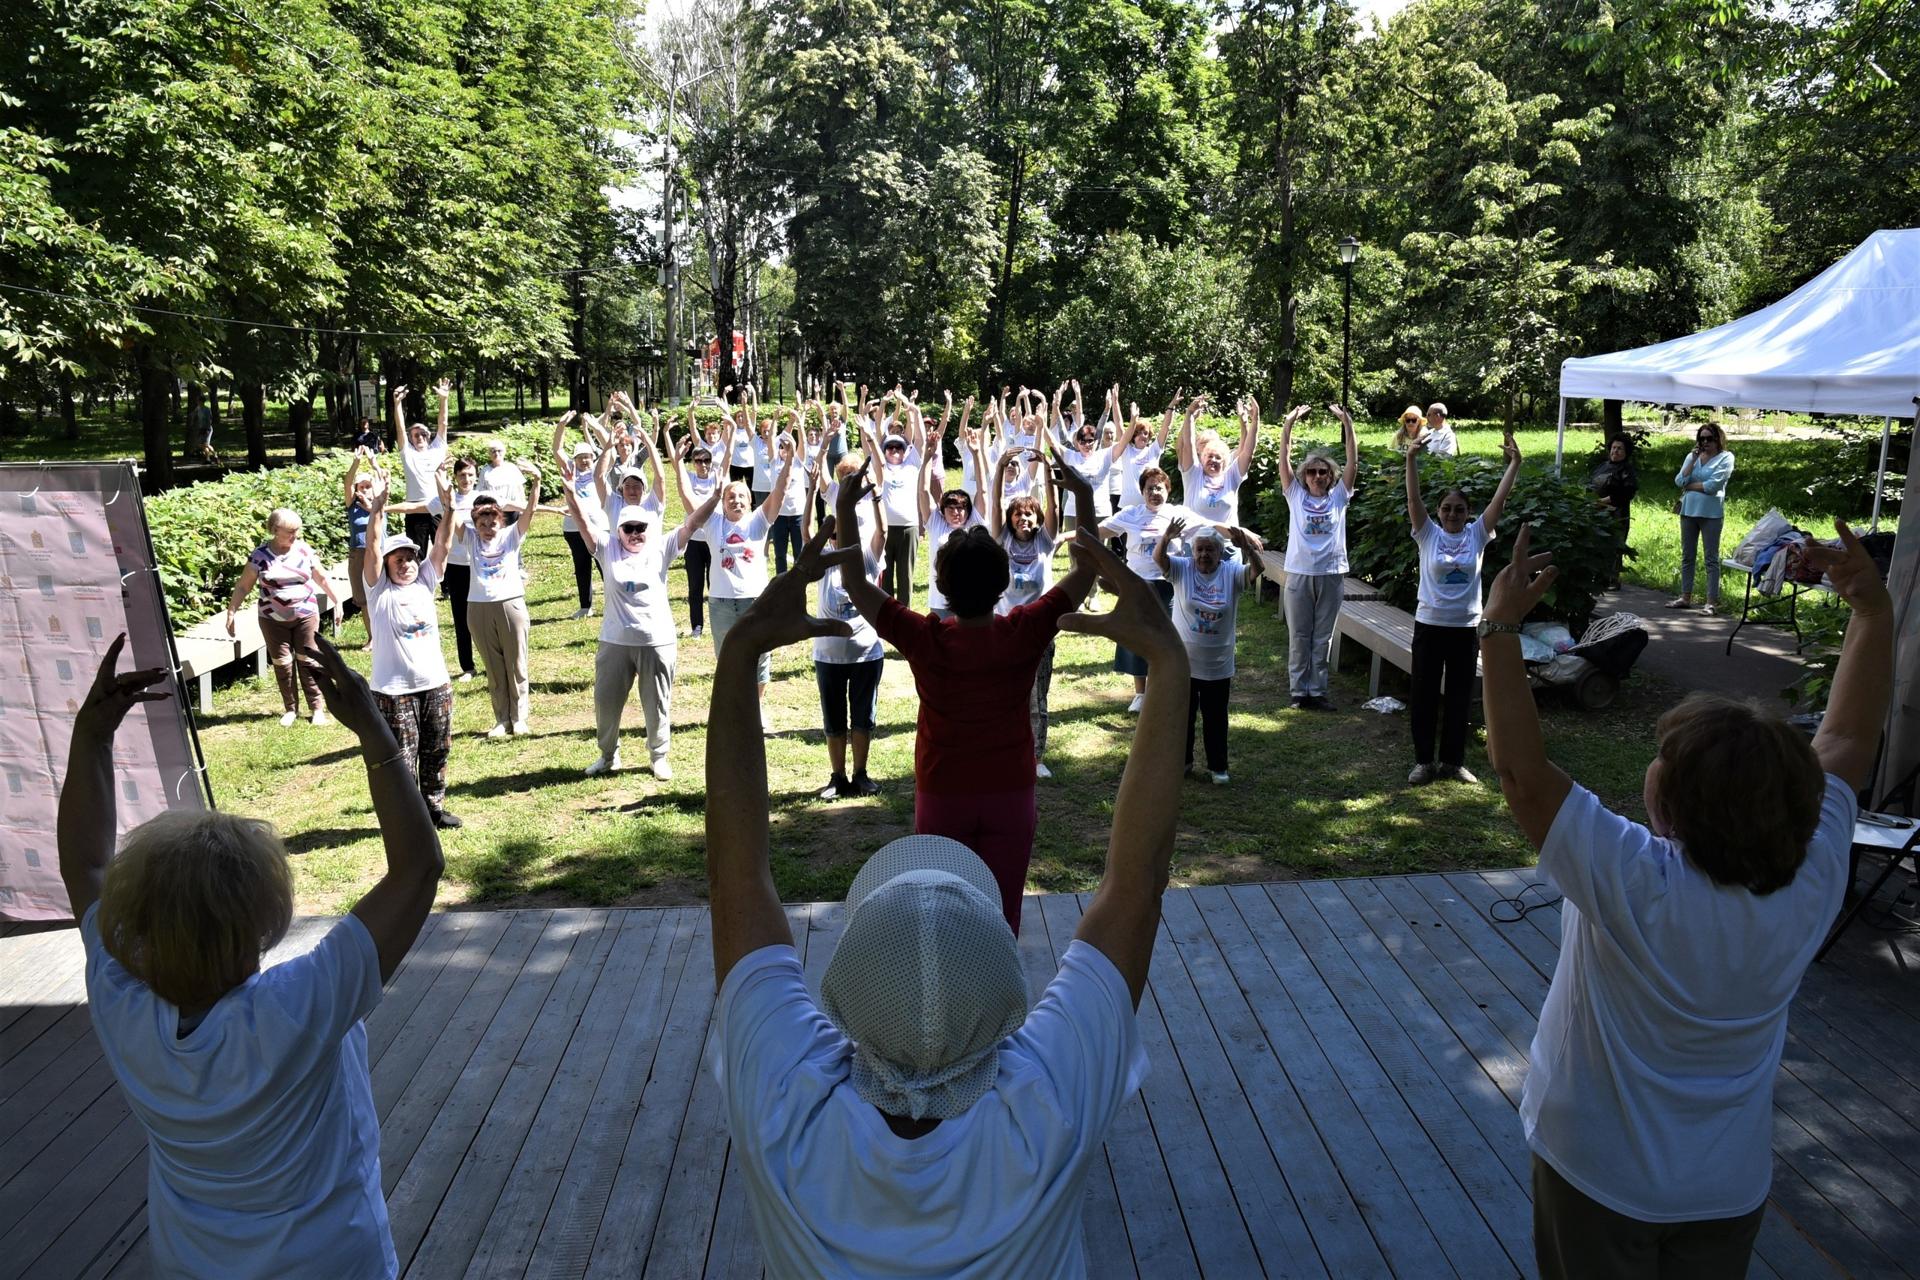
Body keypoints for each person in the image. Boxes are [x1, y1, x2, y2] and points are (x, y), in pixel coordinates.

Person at [704, 522, 1189, 1277]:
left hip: (944, 792)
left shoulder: (782, 1103)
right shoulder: (1054, 1101)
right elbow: (1136, 883)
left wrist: (739, 656)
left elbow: (735, 878)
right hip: (1010, 798)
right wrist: (1168, 660)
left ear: (845, 993)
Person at [1479, 520, 1889, 1280]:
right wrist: (1871, 611)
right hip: (1726, 1189)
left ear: (1670, 802)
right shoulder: (1812, 873)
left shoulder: (1638, 882)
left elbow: (1522, 777)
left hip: (1598, 1177)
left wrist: (1499, 628)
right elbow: (1849, 743)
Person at [60, 632, 442, 1279]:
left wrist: (91, 737)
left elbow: (86, 864)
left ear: (133, 922)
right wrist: (375, 734)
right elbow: (420, 867)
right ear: (263, 922)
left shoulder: (120, 997)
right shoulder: (296, 1007)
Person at [835, 464, 1098, 933]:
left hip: (943, 792)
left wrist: (843, 508)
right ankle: (1004, 1003)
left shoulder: (926, 638)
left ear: (943, 586)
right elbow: (1085, 570)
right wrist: (1085, 497)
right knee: (1003, 916)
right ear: (1001, 583)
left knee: (941, 920)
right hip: (1011, 793)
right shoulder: (1024, 632)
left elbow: (856, 584)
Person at [564, 450, 722, 779]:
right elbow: (581, 523)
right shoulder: (607, 548)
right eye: (629, 527)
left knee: (657, 704)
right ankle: (608, 756)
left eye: (641, 527)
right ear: (618, 529)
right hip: (614, 641)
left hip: (657, 640)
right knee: (606, 705)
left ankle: (659, 756)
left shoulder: (661, 546)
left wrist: (716, 496)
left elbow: (692, 523)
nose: (635, 532)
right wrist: (569, 492)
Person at [1404, 430, 1521, 785]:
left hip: (1466, 627)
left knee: (1458, 697)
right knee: (1423, 695)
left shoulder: (1477, 534)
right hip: (1429, 623)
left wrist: (1515, 463)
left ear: (1469, 513)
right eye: (1446, 508)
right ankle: (1424, 761)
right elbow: (1413, 500)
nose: (1452, 514)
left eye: (1459, 509)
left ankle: (1453, 762)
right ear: (1438, 512)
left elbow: (1499, 503)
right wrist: (1410, 459)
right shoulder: (1428, 534)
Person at [363, 470, 462, 829]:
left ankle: (433, 809)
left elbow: (444, 545)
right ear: (388, 565)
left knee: (437, 749)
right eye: (398, 560)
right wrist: (378, 508)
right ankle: (405, 818)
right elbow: (372, 546)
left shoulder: (425, 581)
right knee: (402, 758)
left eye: (409, 558)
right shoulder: (378, 591)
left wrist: (449, 508)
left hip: (435, 684)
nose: (405, 564)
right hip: (395, 691)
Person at [1156, 519, 1263, 784]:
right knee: (1183, 716)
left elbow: (1257, 570)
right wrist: (1167, 538)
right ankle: (1183, 762)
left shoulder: (1230, 572)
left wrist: (1247, 548)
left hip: (1218, 663)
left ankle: (1218, 767)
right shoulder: (1183, 569)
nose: (1204, 555)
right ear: (1193, 553)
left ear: (1219, 553)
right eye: (1200, 550)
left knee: (1216, 718)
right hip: (1185, 663)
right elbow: (1159, 560)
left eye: (1210, 550)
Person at [448, 464, 551, 737]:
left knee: (516, 664)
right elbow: (450, 513)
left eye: (492, 523)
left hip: (510, 603)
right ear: (475, 524)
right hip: (478, 607)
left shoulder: (511, 536)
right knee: (493, 668)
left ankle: (519, 718)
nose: (487, 528)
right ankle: (501, 720)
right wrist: (441, 480)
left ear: (500, 521)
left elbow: (529, 512)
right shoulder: (469, 539)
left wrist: (537, 481)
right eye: (482, 524)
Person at [806, 460, 888, 798]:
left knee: (863, 717)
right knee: (834, 719)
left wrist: (878, 501)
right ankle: (837, 777)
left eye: (847, 532)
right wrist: (812, 491)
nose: (841, 538)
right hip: (828, 654)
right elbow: (806, 535)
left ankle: (861, 774)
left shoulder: (865, 560)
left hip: (867, 651)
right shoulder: (823, 560)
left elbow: (882, 535)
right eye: (836, 533)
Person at [1098, 465, 1208, 713]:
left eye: (1159, 487)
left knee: (1172, 637)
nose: (1154, 492)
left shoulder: (1178, 514)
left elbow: (1211, 526)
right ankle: (1140, 693)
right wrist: (1064, 537)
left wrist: (1240, 532)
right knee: (1138, 637)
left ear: (1167, 490)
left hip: (1170, 584)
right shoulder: (1131, 514)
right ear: (1142, 492)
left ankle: (1169, 689)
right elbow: (1098, 531)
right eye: (1149, 488)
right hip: (1138, 584)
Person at [224, 508, 343, 727]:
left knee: (309, 660)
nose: (295, 535)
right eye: (290, 531)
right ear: (275, 529)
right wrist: (232, 611)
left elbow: (322, 578)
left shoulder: (304, 551)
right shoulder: (260, 555)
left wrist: (337, 601)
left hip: (305, 614)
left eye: (297, 530)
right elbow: (243, 586)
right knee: (282, 663)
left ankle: (317, 708)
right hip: (271, 619)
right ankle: (290, 709)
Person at [1276, 403, 1359, 711]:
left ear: (1331, 476)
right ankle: (1299, 692)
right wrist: (1288, 424)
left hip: (1332, 573)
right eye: (1312, 471)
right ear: (1304, 476)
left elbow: (1353, 459)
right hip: (1299, 573)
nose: (1318, 476)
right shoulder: (1295, 495)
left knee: (1322, 637)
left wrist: (1347, 423)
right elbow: (1283, 459)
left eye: (1323, 472)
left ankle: (1318, 692)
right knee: (1299, 635)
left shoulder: (1339, 496)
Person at [708, 447, 797, 732]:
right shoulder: (714, 523)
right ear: (722, 503)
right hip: (721, 603)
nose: (736, 500)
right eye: (730, 497)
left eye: (742, 496)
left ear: (750, 502)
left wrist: (790, 459)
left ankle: (756, 708)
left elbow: (780, 492)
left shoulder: (758, 521)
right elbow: (687, 497)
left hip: (755, 601)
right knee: (727, 659)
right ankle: (733, 709)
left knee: (760, 656)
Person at [986, 449, 1059, 779]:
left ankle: (1037, 757)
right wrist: (1001, 466)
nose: (1023, 519)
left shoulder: (1046, 543)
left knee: (1037, 697)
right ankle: (1001, 751)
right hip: (1004, 631)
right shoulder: (1000, 541)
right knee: (1002, 696)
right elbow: (995, 501)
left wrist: (1046, 470)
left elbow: (1054, 507)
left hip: (1040, 632)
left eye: (1029, 514)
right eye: (1018, 514)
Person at [862, 390, 926, 604]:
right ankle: (887, 613)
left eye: (898, 446)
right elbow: (871, 438)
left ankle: (905, 613)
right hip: (884, 528)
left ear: (904, 448)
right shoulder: (879, 466)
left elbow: (920, 439)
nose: (894, 449)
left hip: (909, 527)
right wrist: (882, 403)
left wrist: (911, 409)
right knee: (885, 574)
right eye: (890, 446)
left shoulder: (912, 464)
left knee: (905, 576)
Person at [920, 407, 984, 620]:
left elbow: (982, 490)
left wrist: (976, 454)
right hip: (939, 600)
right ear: (943, 511)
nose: (957, 512)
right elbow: (923, 491)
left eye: (961, 508)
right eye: (951, 508)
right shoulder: (936, 524)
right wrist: (928, 457)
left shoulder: (974, 523)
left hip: (971, 597)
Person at [1670, 421, 1735, 613]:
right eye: (1701, 438)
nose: (1705, 442)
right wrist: (1692, 460)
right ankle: (1685, 596)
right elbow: (1679, 480)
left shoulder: (1726, 458)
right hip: (1688, 511)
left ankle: (1711, 602)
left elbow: (1713, 486)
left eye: (1709, 438)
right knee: (1687, 556)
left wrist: (1691, 487)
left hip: (1711, 513)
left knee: (1711, 558)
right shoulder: (1693, 456)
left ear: (1718, 439)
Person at [552, 408, 608, 620]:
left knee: (604, 565)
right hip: (573, 527)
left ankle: (613, 602)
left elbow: (607, 447)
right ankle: (586, 606)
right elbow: (556, 449)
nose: (585, 461)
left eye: (588, 457)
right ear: (574, 459)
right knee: (581, 566)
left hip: (598, 526)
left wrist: (595, 427)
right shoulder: (569, 470)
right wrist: (561, 425)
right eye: (581, 457)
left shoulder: (599, 470)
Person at [1177, 393, 1258, 530]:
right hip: (1195, 544)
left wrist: (1254, 420)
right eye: (1209, 456)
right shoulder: (1193, 474)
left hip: (1227, 544)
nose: (1213, 460)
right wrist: (1189, 415)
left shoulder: (1231, 475)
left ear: (1225, 460)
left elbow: (1247, 452)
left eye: (1218, 457)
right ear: (1201, 456)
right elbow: (1185, 446)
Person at [672, 421, 721, 639]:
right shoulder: (690, 478)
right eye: (698, 461)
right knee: (695, 586)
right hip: (693, 541)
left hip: (713, 540)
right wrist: (677, 453)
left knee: (715, 585)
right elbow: (677, 471)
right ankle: (697, 626)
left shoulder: (717, 477)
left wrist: (727, 425)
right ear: (693, 463)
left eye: (706, 460)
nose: (703, 464)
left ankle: (717, 622)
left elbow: (727, 454)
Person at [392, 381, 452, 552]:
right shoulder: (408, 454)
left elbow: (443, 423)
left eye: (424, 433)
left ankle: (445, 580)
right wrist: (397, 404)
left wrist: (444, 400)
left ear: (429, 435)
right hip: (414, 511)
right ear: (411, 438)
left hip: (437, 508)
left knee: (443, 551)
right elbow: (400, 429)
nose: (420, 437)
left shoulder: (438, 448)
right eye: (416, 434)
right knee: (417, 554)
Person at [1589, 435, 1638, 590]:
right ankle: (1597, 577)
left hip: (1617, 513)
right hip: (1596, 512)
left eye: (1619, 448)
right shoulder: (1601, 467)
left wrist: (1604, 501)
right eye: (1614, 448)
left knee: (1614, 545)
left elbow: (1627, 492)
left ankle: (1612, 579)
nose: (1615, 451)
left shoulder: (1627, 470)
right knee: (1597, 544)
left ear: (1626, 452)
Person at [343, 448, 381, 621]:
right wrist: (356, 462)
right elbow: (347, 482)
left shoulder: (380, 502)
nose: (365, 489)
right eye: (362, 486)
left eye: (368, 486)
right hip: (358, 553)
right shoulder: (353, 505)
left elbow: (382, 479)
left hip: (379, 552)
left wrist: (374, 463)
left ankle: (385, 631)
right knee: (363, 598)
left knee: (380, 594)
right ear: (357, 489)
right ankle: (372, 637)